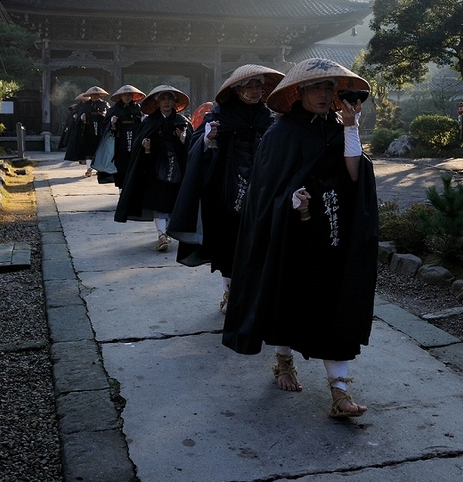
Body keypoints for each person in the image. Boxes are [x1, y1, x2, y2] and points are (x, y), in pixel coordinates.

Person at [222, 58, 378, 419]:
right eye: (317, 88)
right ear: (299, 92)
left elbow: (355, 176)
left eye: (330, 88)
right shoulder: (282, 134)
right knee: (285, 302)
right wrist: (289, 199)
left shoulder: (337, 128)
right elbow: (266, 192)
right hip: (290, 237)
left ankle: (339, 392)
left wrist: (351, 128)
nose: (325, 95)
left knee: (334, 305)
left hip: (332, 235)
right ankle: (284, 360)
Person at [168, 64, 284, 314]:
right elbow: (197, 146)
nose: (255, 91)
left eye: (259, 86)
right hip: (228, 189)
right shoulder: (221, 115)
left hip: (262, 189)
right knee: (230, 244)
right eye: (250, 86)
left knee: (259, 242)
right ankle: (230, 292)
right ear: (238, 89)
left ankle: (254, 295)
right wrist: (208, 138)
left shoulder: (269, 116)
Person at [114, 84, 193, 252]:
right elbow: (139, 146)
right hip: (155, 169)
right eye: (163, 99)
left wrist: (183, 138)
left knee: (174, 201)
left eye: (169, 98)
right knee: (159, 203)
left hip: (177, 168)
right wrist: (146, 147)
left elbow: (191, 147)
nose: (166, 102)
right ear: (157, 102)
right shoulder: (150, 122)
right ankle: (161, 235)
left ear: (174, 101)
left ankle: (168, 231)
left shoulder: (182, 122)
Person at [97, 84, 146, 189]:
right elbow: (105, 127)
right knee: (121, 167)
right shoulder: (114, 109)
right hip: (120, 143)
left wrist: (142, 120)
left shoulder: (138, 108)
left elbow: (143, 125)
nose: (127, 97)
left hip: (135, 142)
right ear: (120, 96)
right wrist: (112, 123)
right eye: (124, 95)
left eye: (129, 95)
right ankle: (121, 191)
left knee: (135, 167)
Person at [80, 86, 110, 177]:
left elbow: (109, 114)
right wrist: (83, 118)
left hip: (101, 129)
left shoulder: (104, 104)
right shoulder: (86, 105)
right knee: (89, 149)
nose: (95, 97)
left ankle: (99, 168)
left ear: (100, 95)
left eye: (97, 95)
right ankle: (89, 169)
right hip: (89, 129)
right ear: (90, 95)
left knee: (100, 149)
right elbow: (81, 116)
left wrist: (104, 114)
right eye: (93, 95)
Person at [63, 92, 90, 164]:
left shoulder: (90, 106)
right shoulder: (78, 107)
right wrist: (76, 118)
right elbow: (73, 117)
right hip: (79, 128)